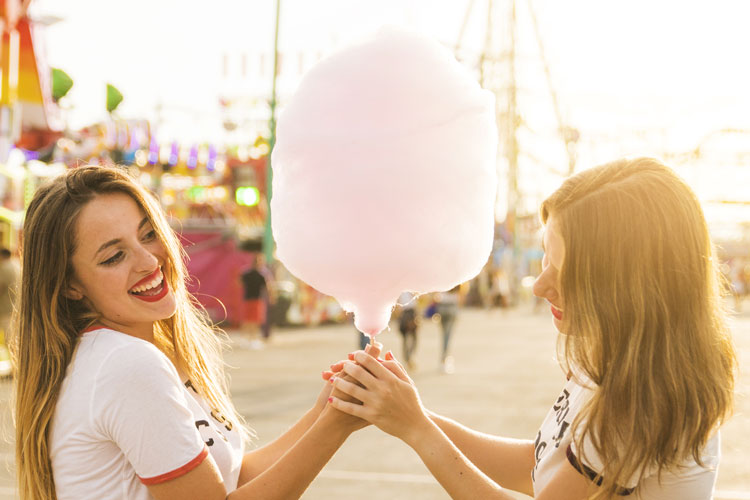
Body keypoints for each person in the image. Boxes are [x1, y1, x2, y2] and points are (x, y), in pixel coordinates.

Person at [327, 158, 737, 499]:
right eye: (546, 258)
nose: (541, 285)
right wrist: (405, 410)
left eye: (566, 270)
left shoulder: (645, 394)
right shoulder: (620, 361)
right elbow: (536, 466)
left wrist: (415, 427)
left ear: (629, 286)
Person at [9, 165, 380, 500]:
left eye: (149, 233)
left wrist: (325, 411)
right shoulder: (124, 364)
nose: (149, 260)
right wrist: (333, 428)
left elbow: (229, 479)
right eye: (113, 256)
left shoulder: (135, 351)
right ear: (70, 285)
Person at [238, 254, 268, 348]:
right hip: (255, 298)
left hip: (249, 298)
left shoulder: (246, 273)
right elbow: (266, 287)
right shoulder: (260, 275)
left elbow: (239, 282)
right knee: (253, 320)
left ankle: (246, 339)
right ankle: (252, 339)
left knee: (249, 320)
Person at [435, 285, 460, 373]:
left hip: (442, 307)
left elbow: (436, 296)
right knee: (447, 335)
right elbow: (461, 297)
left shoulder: (444, 281)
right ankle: (444, 357)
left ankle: (444, 357)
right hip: (451, 307)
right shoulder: (457, 282)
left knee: (444, 334)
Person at [397, 292, 419, 370]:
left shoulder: (407, 290)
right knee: (409, 339)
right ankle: (408, 358)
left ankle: (408, 358)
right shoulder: (404, 290)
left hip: (409, 313)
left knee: (411, 339)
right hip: (407, 313)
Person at [0, 247, 19, 337]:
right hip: (16, 307)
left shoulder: (3, 268)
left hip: (5, 309)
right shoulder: (17, 265)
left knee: (8, 337)